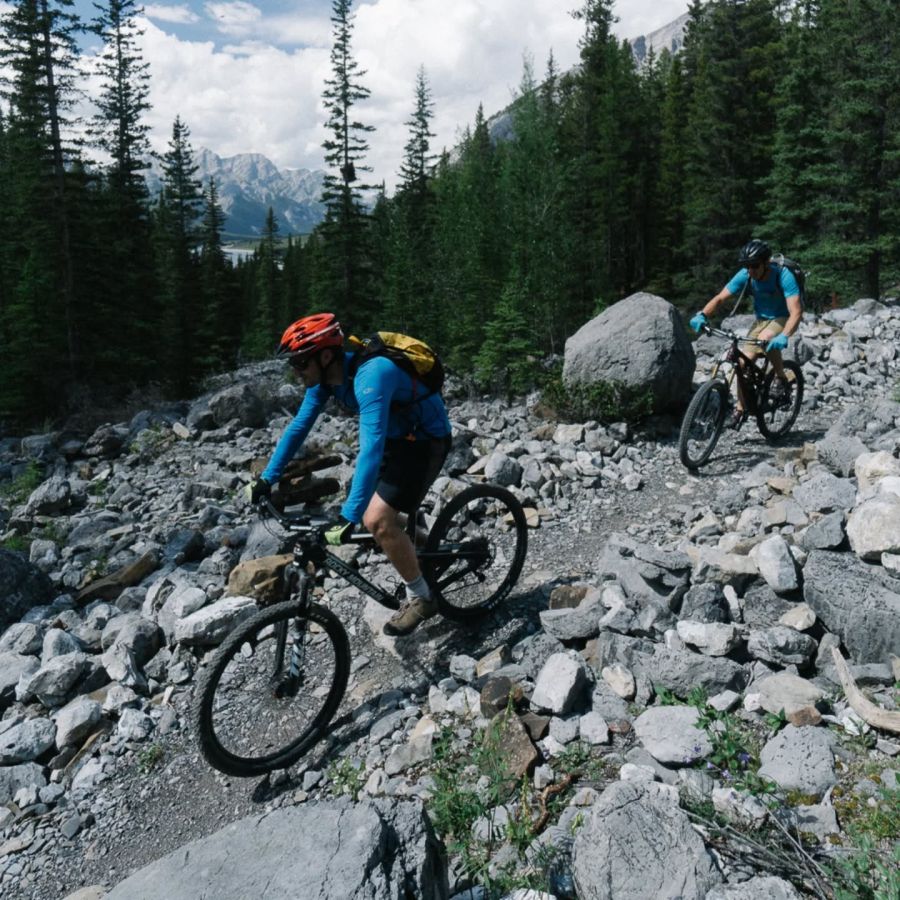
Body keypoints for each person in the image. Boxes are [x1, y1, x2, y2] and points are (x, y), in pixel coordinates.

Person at [248, 313, 453, 636]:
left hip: (426, 440)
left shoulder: (373, 374)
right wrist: (266, 479)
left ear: (325, 357)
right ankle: (430, 550)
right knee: (376, 511)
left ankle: (422, 598)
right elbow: (298, 427)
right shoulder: (325, 382)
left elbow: (370, 448)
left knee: (376, 519)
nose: (296, 371)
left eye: (300, 362)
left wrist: (349, 517)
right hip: (396, 439)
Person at [689, 239, 802, 428]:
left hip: (782, 317)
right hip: (761, 320)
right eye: (747, 266)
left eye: (755, 266)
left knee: (765, 338)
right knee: (741, 365)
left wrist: (784, 335)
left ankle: (781, 376)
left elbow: (796, 311)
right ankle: (740, 410)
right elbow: (720, 298)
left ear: (766, 263)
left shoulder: (783, 275)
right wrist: (703, 314)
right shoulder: (746, 274)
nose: (750, 270)